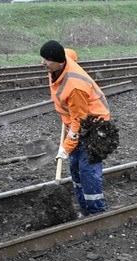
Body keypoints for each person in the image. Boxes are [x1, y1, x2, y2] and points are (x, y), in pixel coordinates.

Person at [40, 40, 112, 215]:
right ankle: (84, 208)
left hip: (94, 125)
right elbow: (71, 53)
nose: (43, 63)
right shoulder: (61, 61)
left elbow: (79, 122)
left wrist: (65, 148)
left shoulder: (74, 87)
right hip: (77, 120)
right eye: (43, 58)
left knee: (87, 170)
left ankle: (96, 212)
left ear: (60, 62)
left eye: (47, 60)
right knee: (75, 168)